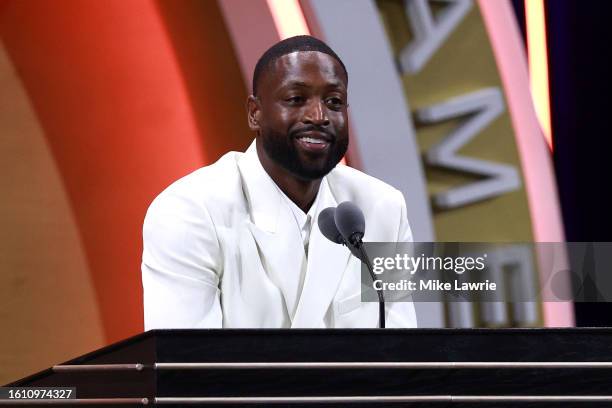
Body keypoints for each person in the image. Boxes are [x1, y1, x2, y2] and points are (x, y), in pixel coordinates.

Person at [142, 35, 416, 329]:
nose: (319, 116)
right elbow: (186, 367)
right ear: (255, 113)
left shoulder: (383, 207)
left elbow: (403, 355)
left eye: (334, 102)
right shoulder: (189, 211)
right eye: (296, 99)